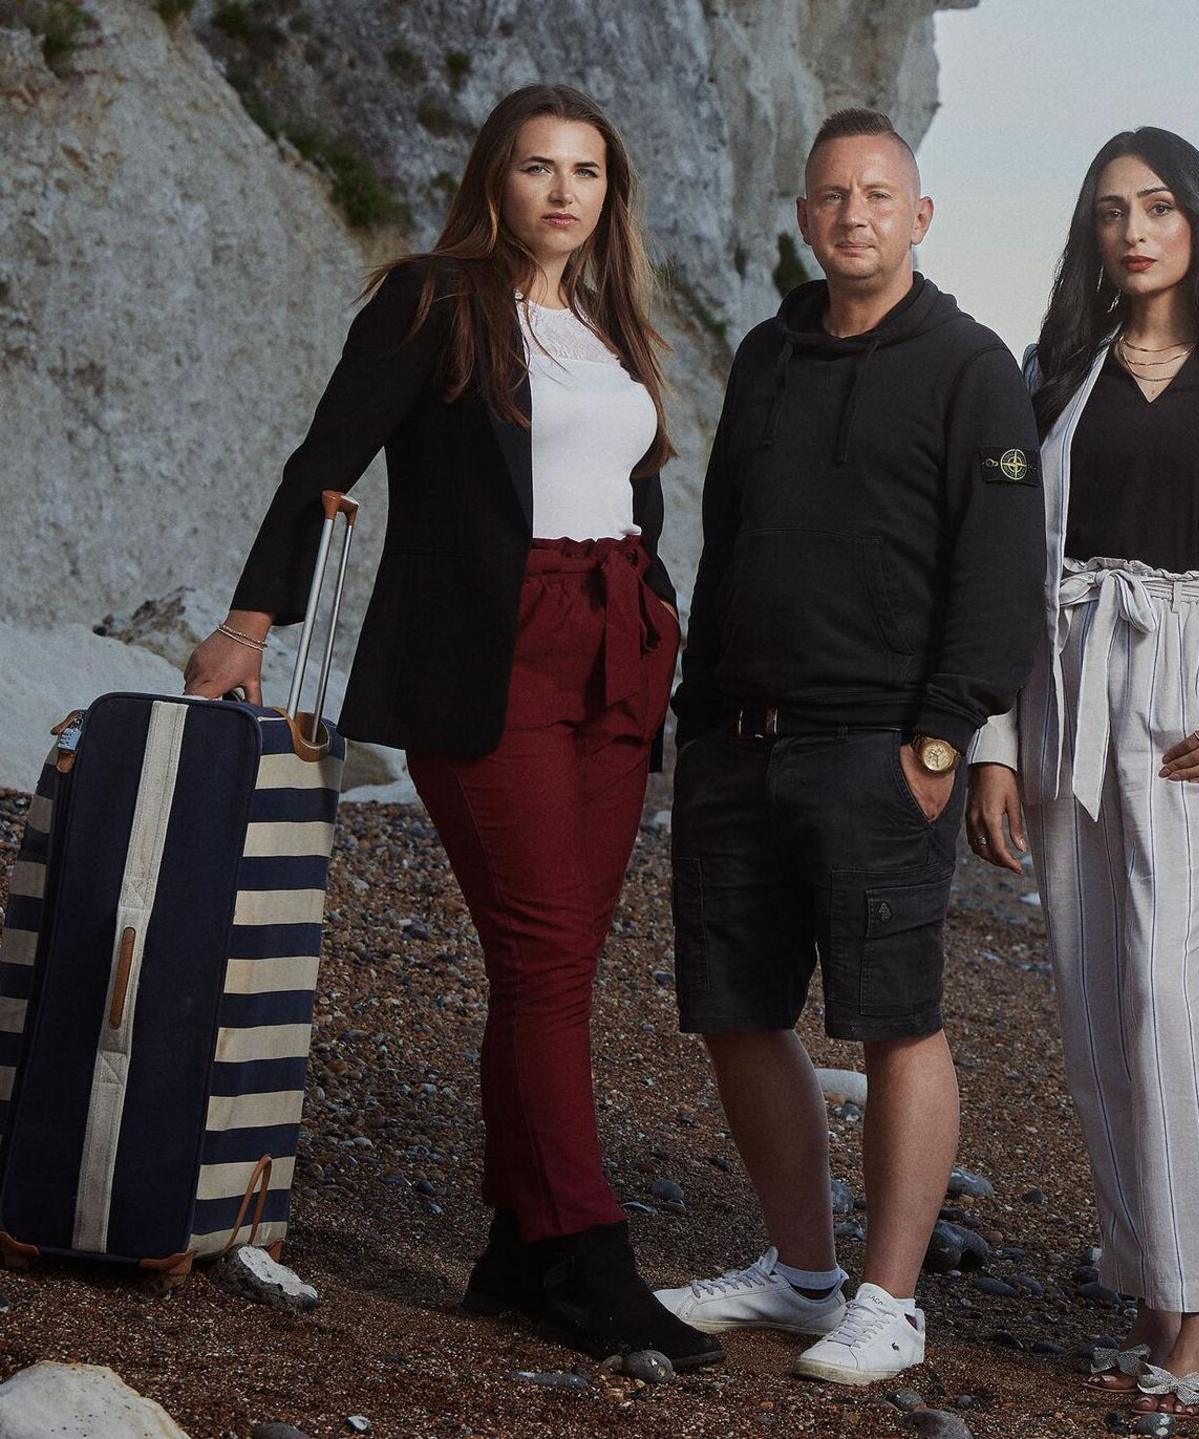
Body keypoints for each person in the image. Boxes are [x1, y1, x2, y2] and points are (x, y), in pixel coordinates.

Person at [181, 85, 714, 1367]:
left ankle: (516, 1249)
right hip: (489, 654)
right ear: (496, 179)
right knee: (538, 957)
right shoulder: (431, 298)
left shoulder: (611, 322)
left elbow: (633, 502)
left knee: (561, 969)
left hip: (617, 650)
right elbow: (328, 457)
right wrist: (250, 624)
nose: (564, 192)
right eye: (539, 168)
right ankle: (587, 1253)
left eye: (587, 171)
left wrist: (662, 632)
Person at [644, 106, 1041, 1388]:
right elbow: (729, 536)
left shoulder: (972, 365)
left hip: (879, 749)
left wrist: (941, 737)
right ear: (803, 216)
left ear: (918, 216)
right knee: (737, 1011)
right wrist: (697, 719)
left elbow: (999, 572)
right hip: (737, 744)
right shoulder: (765, 354)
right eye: (830, 197)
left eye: (878, 195)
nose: (852, 216)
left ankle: (889, 1297)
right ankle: (802, 1269)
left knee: (895, 1020)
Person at [961, 126, 1199, 1419]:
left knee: (1167, 991)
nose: (1134, 229)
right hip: (1062, 681)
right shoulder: (1049, 369)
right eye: (1111, 209)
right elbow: (1004, 561)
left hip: (1191, 699)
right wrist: (994, 747)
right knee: (1090, 999)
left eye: (1159, 205)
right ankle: (1150, 1290)